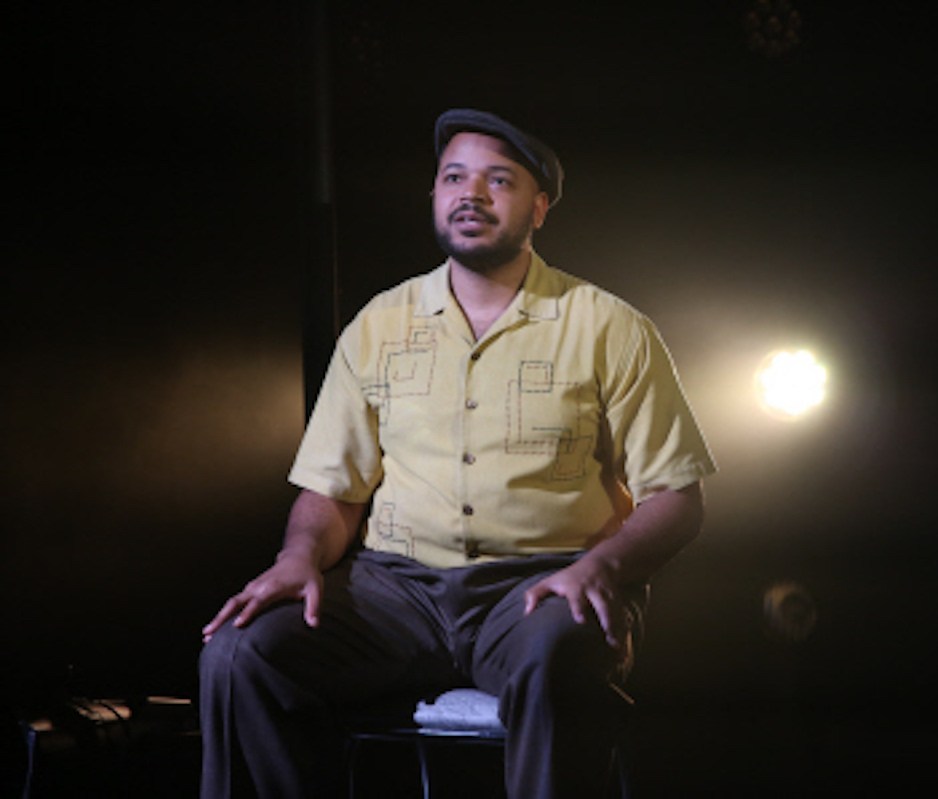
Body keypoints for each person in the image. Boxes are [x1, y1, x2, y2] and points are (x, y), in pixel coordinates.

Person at [198, 108, 716, 799]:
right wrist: (297, 557)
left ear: (539, 207)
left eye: (498, 180)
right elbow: (333, 488)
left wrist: (601, 567)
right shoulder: (379, 324)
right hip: (395, 592)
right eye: (453, 177)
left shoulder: (609, 327)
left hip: (538, 587)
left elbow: (677, 497)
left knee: (556, 655)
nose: (470, 194)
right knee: (240, 654)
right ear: (436, 196)